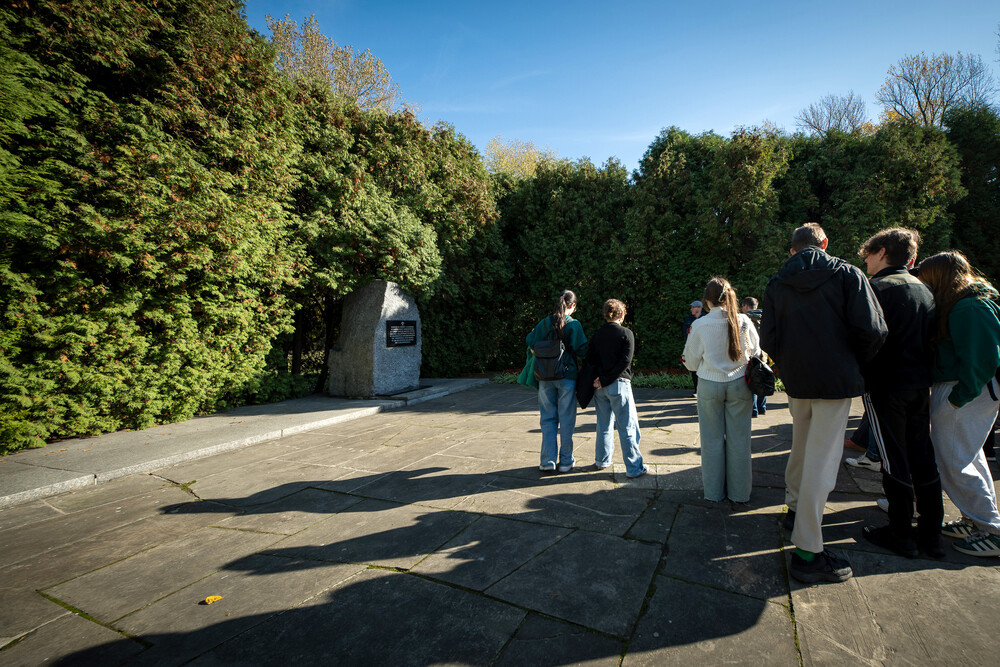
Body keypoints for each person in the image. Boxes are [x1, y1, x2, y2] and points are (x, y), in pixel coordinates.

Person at [761, 222, 887, 583]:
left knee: (801, 448)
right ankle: (807, 551)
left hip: (798, 380)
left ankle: (795, 509)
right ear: (825, 243)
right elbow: (873, 329)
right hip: (834, 380)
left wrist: (789, 364)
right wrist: (850, 363)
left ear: (793, 250)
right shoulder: (847, 274)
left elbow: (769, 337)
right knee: (823, 461)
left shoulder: (776, 283)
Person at [855, 228, 944, 559]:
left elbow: (865, 337)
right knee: (922, 456)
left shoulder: (876, 289)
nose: (864, 260)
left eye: (867, 254)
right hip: (920, 384)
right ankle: (932, 535)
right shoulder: (925, 290)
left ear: (881, 252)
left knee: (894, 459)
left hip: (886, 385)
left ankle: (900, 532)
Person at [917, 251, 1000, 556]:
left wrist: (957, 399)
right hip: (969, 390)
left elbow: (985, 357)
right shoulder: (971, 302)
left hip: (964, 391)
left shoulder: (968, 307)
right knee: (967, 457)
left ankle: (992, 529)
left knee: (953, 462)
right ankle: (977, 521)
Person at [684, 278, 761, 503]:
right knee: (740, 440)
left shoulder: (699, 325)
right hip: (739, 384)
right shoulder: (744, 321)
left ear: (707, 300)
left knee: (711, 440)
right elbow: (756, 352)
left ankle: (714, 493)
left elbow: (690, 362)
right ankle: (740, 494)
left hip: (709, 384)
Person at [526, 290, 588, 474]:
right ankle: (566, 461)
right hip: (566, 377)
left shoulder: (544, 323)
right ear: (572, 306)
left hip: (545, 376)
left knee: (547, 419)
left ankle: (547, 461)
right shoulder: (573, 325)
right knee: (567, 420)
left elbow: (530, 340)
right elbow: (582, 349)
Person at [585, 298, 648, 478]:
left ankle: (602, 460)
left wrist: (599, 380)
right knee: (627, 426)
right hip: (618, 385)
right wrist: (606, 379)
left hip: (599, 386)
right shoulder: (626, 333)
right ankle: (634, 468)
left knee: (603, 425)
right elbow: (625, 362)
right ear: (621, 314)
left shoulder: (597, 335)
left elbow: (590, 360)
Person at [741, 296, 766, 417]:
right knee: (762, 378)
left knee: (752, 380)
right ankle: (762, 407)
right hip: (764, 353)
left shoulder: (746, 318)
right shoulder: (764, 316)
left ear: (746, 306)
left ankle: (753, 409)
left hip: (752, 353)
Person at [683, 300, 704, 395]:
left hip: (703, 347)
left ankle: (703, 390)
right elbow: (685, 332)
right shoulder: (688, 319)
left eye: (693, 307)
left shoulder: (705, 318)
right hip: (692, 347)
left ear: (699, 308)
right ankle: (696, 390)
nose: (691, 309)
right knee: (694, 369)